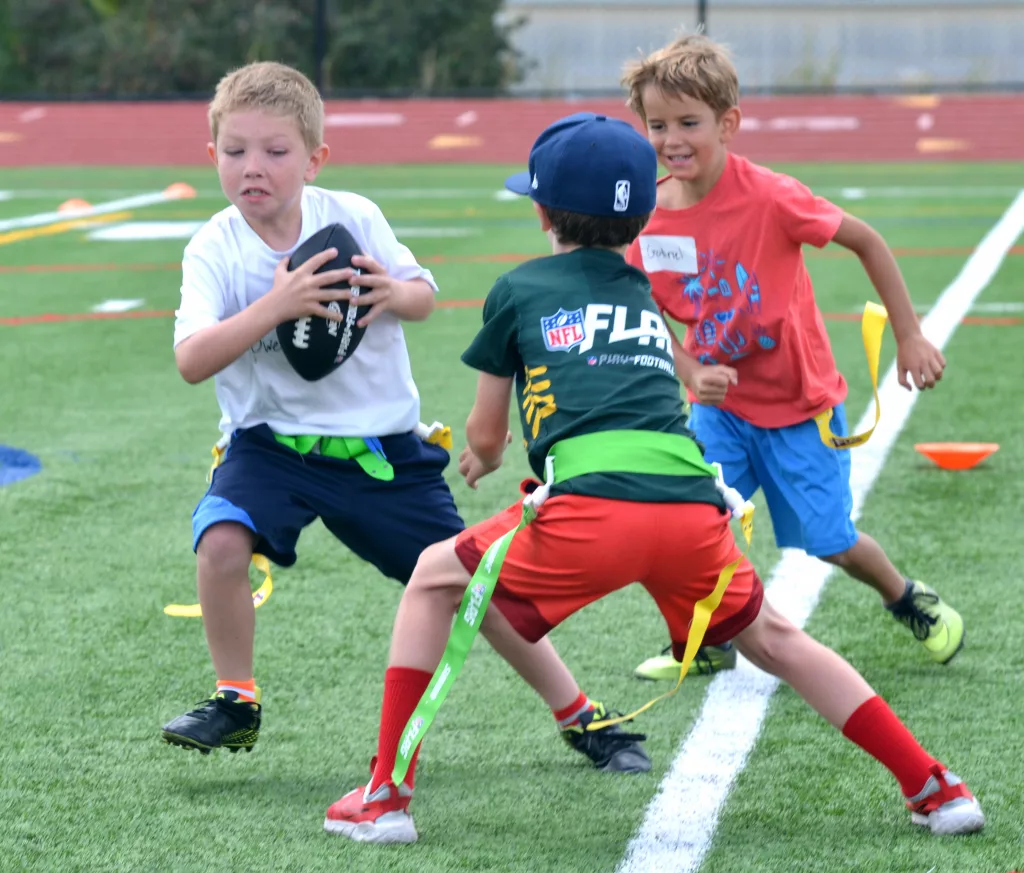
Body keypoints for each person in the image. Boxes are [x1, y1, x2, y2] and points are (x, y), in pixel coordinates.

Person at [322, 112, 984, 845]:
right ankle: (933, 785)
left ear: (541, 211)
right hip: (691, 504)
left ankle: (384, 796)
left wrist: (483, 453)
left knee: (431, 576)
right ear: (640, 212)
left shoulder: (517, 288)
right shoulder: (640, 287)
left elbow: (485, 436)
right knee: (776, 638)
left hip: (589, 507)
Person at [161, 61, 649, 775]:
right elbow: (191, 359)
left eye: (275, 151)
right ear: (212, 157)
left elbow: (423, 297)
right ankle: (236, 700)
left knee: (475, 587)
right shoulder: (214, 245)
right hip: (271, 446)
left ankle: (579, 712)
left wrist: (391, 291)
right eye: (234, 152)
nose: (252, 168)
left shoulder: (353, 216)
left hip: (380, 451)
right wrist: (278, 304)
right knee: (222, 543)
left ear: (314, 158)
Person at [621, 35, 963, 682]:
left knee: (831, 540)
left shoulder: (772, 196)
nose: (671, 139)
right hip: (719, 411)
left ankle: (905, 596)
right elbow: (639, 301)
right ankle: (708, 638)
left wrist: (911, 335)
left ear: (728, 124)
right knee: (693, 521)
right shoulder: (650, 220)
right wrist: (688, 370)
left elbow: (866, 239)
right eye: (657, 124)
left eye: (688, 123)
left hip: (801, 408)